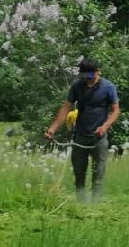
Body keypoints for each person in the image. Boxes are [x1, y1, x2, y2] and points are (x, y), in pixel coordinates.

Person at [45, 58, 119, 201]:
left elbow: (116, 111)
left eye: (90, 76)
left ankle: (95, 204)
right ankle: (81, 203)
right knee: (79, 173)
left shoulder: (108, 87)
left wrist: (105, 126)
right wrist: (53, 128)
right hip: (80, 136)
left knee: (98, 173)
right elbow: (66, 107)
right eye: (84, 76)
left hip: (99, 137)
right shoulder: (77, 86)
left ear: (97, 72)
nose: (88, 80)